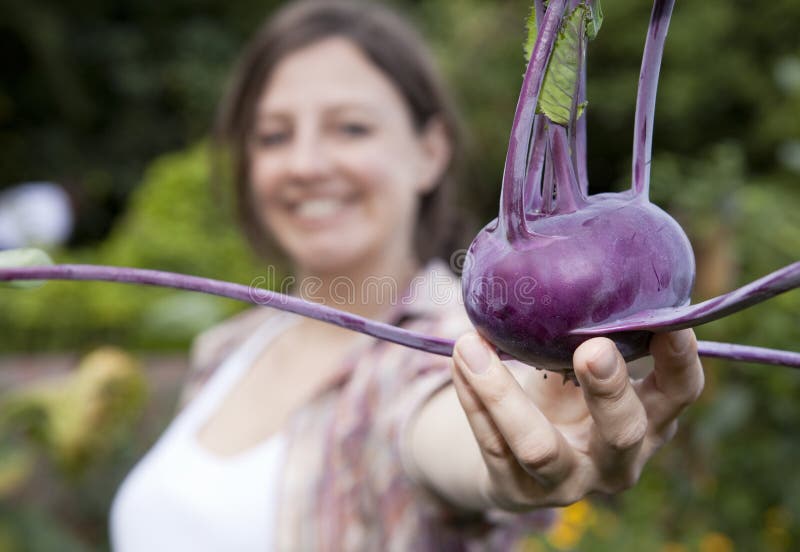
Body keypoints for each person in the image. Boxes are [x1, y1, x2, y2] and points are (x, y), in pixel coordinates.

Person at [110, 1, 705, 550]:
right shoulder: (228, 347)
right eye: (273, 135)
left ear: (430, 150)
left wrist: (508, 445)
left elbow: (437, 423)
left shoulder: (453, 341)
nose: (307, 164)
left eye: (351, 128)